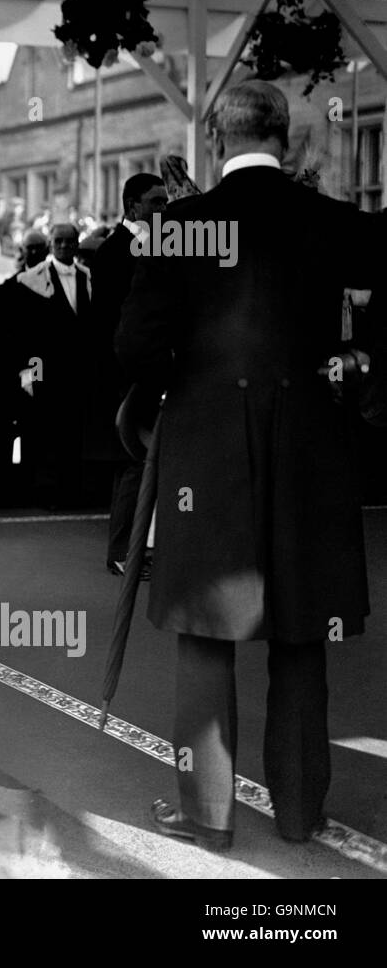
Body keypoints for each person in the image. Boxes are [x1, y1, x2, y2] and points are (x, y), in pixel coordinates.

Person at [116, 79, 387, 850]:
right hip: (312, 446)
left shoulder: (178, 227)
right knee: (303, 627)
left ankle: (208, 814)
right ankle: (301, 811)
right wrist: (353, 375)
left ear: (215, 141)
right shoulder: (340, 224)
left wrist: (185, 375)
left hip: (207, 447)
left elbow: (132, 347)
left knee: (207, 628)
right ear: (289, 139)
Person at [91, 174, 167, 575]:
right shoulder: (113, 252)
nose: (163, 210)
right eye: (156, 202)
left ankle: (143, 547)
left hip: (153, 372)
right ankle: (123, 552)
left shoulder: (158, 247)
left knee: (150, 461)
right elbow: (110, 324)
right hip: (127, 377)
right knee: (132, 463)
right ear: (132, 205)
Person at [12, 222, 94, 508]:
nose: (63, 246)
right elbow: (22, 333)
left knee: (74, 429)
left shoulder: (87, 277)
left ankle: (73, 490)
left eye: (69, 241)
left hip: (78, 368)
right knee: (45, 430)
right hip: (45, 367)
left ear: (76, 244)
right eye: (58, 241)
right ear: (51, 244)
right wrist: (28, 373)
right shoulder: (32, 279)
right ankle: (45, 491)